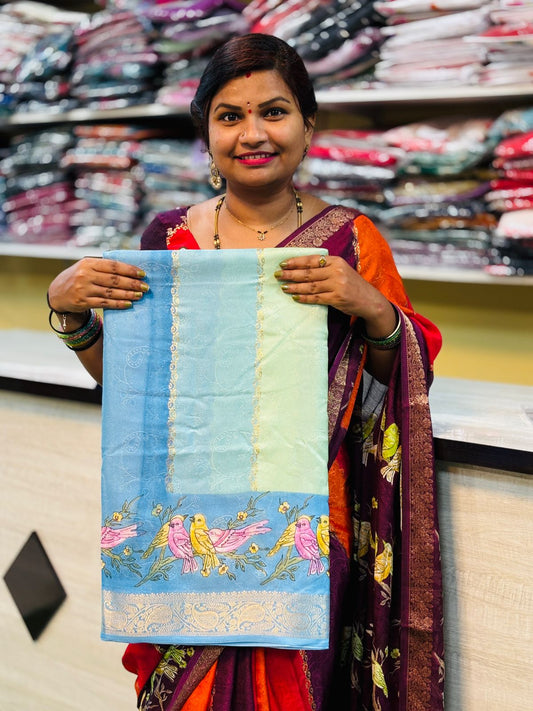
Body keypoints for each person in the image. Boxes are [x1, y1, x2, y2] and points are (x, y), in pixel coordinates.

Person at [47, 33, 444, 711]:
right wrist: (69, 312)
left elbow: (395, 382)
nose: (253, 133)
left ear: (307, 126)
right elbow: (133, 390)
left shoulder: (351, 241)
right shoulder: (168, 240)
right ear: (205, 134)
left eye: (274, 111)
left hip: (305, 530)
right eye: (229, 116)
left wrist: (371, 307)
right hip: (182, 532)